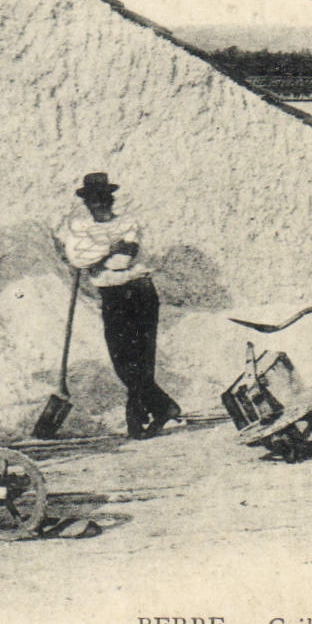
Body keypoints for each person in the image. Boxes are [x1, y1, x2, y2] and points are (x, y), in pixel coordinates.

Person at [57, 173, 182, 439]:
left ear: (110, 199)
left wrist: (97, 255)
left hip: (140, 292)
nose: (99, 204)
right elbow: (78, 257)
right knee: (121, 361)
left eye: (103, 198)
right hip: (112, 298)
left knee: (141, 359)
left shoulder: (128, 223)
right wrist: (108, 249)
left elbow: (123, 260)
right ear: (87, 203)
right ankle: (163, 407)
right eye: (93, 200)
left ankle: (137, 416)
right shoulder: (79, 228)